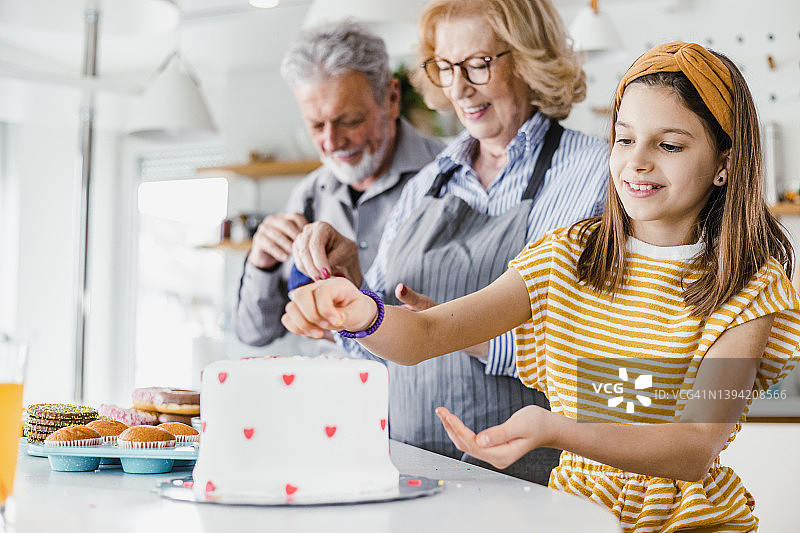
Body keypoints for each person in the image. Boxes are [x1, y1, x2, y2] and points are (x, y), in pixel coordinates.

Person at [283, 42, 800, 531]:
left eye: (668, 144)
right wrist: (360, 313)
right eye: (624, 137)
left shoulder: (750, 287)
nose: (637, 160)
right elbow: (425, 334)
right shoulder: (566, 257)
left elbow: (693, 448)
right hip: (575, 516)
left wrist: (556, 431)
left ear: (726, 164)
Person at [290, 0, 608, 484]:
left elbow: (605, 347)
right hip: (409, 470)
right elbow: (369, 352)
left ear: (528, 57)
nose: (459, 88)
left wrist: (458, 335)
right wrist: (349, 286)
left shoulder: (596, 174)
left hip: (530, 480)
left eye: (479, 64)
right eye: (445, 66)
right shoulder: (429, 181)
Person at [234, 21, 444, 350]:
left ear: (391, 98)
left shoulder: (451, 175)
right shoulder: (307, 196)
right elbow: (253, 333)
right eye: (317, 125)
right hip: (338, 394)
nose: (331, 142)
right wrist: (262, 262)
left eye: (349, 121)